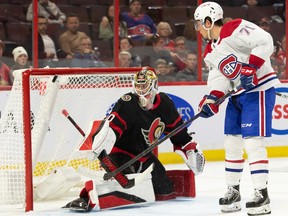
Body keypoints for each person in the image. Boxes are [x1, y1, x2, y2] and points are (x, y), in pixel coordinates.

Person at [64, 67, 205, 212]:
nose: (141, 89)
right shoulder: (127, 103)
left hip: (144, 156)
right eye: (138, 85)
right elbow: (111, 128)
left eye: (144, 85)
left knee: (165, 191)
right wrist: (99, 144)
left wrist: (190, 149)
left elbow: (179, 134)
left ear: (154, 85)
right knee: (127, 189)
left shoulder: (165, 103)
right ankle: (87, 197)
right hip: (120, 154)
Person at [194, 2, 280, 215]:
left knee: (252, 142)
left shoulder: (234, 28)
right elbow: (219, 77)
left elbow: (265, 41)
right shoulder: (210, 50)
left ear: (208, 21)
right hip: (237, 95)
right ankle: (233, 190)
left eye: (198, 24)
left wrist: (252, 67)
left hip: (259, 90)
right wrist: (213, 98)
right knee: (231, 141)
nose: (197, 29)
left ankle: (262, 193)